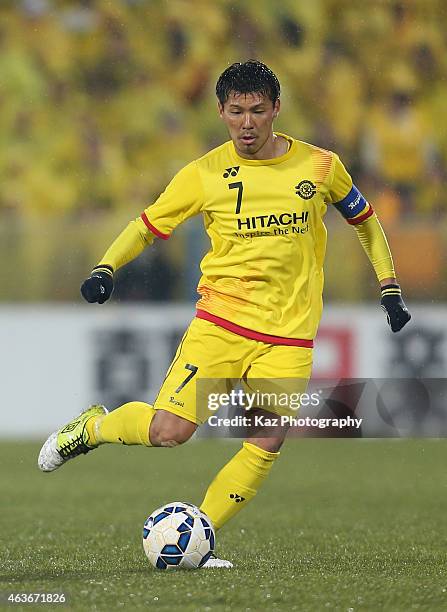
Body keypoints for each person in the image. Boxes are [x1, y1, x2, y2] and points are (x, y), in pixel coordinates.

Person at [38, 60, 411, 568]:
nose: (247, 123)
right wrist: (106, 267)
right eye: (236, 112)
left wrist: (388, 286)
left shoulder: (321, 166)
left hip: (290, 335)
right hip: (222, 324)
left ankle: (200, 537)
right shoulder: (204, 174)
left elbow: (365, 222)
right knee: (170, 432)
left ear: (277, 108)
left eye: (258, 110)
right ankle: (94, 427)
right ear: (221, 111)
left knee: (266, 437)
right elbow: (147, 225)